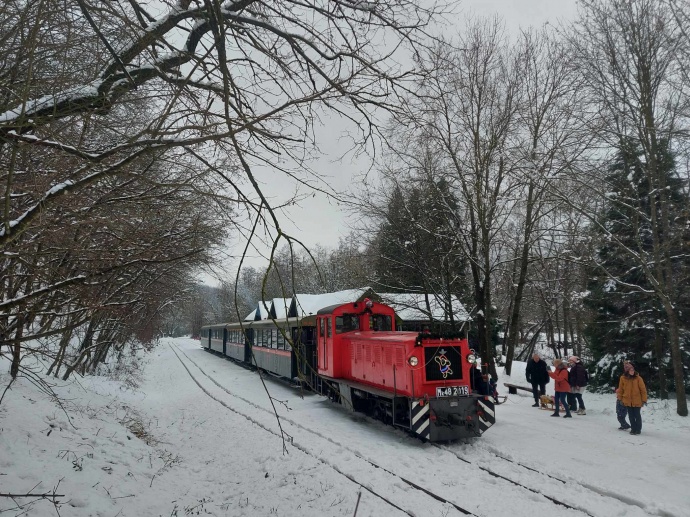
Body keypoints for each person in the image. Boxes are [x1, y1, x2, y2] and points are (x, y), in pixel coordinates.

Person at [617, 362, 647, 435]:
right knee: (631, 416)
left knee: (637, 415)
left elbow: (643, 390)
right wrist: (620, 399)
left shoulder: (638, 378)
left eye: (632, 369)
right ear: (626, 371)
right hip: (627, 400)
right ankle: (633, 429)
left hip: (637, 400)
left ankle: (638, 429)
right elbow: (620, 389)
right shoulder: (623, 378)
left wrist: (644, 400)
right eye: (630, 369)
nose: (632, 371)